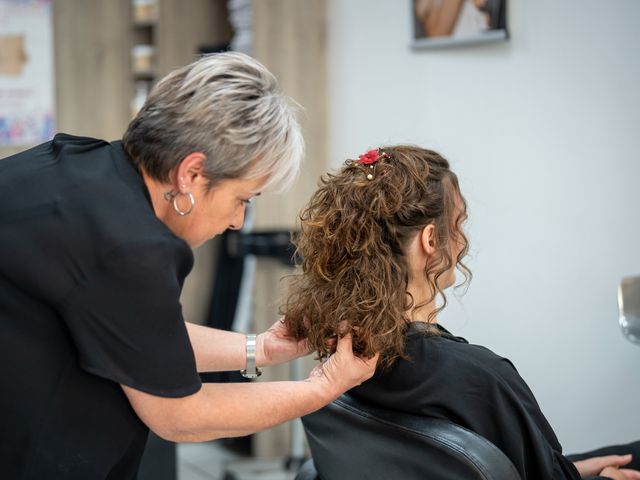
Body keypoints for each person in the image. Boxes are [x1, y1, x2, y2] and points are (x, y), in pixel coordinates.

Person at [0, 52, 377, 480]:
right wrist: (324, 387)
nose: (238, 220)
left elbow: (141, 333)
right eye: (243, 199)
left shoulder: (82, 162)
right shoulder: (131, 245)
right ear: (191, 174)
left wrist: (261, 348)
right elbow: (179, 415)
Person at [282, 145, 639, 480]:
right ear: (430, 240)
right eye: (459, 223)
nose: (462, 238)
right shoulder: (480, 379)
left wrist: (569, 470)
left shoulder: (341, 357)